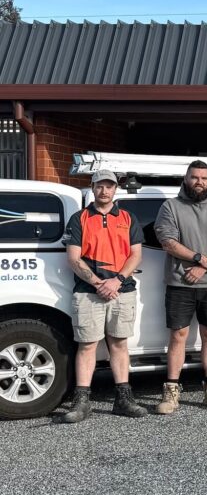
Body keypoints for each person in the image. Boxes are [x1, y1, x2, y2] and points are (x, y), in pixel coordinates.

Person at [60, 170, 147, 423]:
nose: (104, 190)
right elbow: (73, 258)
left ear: (115, 189)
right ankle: (82, 402)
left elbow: (136, 255)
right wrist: (100, 283)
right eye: (100, 186)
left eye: (109, 186)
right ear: (92, 187)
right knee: (87, 345)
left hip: (122, 290)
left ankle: (123, 399)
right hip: (89, 291)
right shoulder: (80, 219)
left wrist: (116, 281)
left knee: (119, 344)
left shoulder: (128, 218)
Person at [153, 160, 207, 414]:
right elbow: (168, 242)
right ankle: (171, 392)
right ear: (186, 178)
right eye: (194, 177)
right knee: (178, 336)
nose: (199, 181)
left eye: (204, 177)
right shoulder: (171, 207)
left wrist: (204, 267)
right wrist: (200, 259)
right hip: (180, 282)